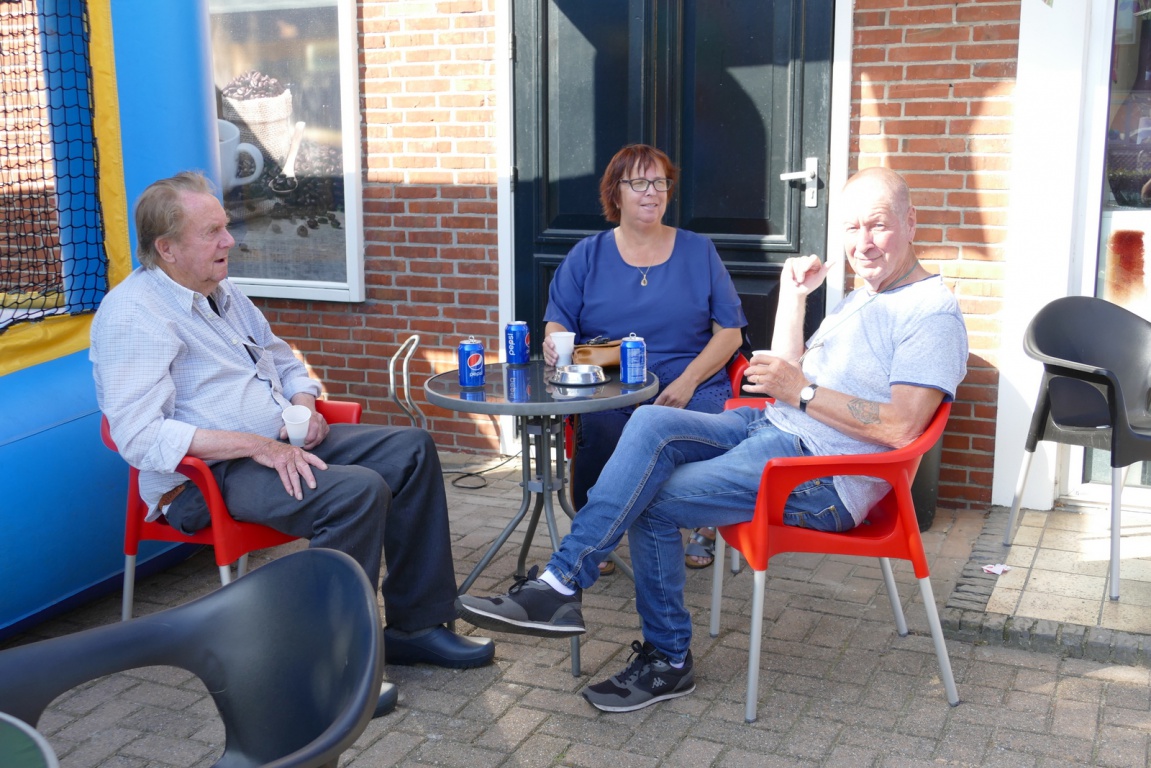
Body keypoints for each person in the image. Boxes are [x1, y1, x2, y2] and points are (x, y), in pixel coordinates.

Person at [456, 167, 968, 713]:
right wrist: (794, 297)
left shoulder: (930, 312)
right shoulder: (867, 295)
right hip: (773, 429)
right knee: (650, 421)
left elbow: (902, 426)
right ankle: (561, 584)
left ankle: (661, 655)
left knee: (649, 499)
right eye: (851, 227)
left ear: (911, 222)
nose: (863, 242)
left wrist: (801, 392)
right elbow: (787, 370)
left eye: (878, 225)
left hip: (821, 474)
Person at [90, 171, 494, 719]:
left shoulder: (222, 290)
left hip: (280, 442)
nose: (229, 240)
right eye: (212, 232)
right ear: (167, 248)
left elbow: (282, 358)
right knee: (356, 493)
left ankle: (416, 626)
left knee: (413, 449)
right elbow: (138, 436)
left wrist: (304, 404)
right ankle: (329, 666)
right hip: (201, 479)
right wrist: (256, 446)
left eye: (225, 227)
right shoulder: (133, 315)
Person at [542, 144, 747, 572]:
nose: (651, 192)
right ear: (615, 193)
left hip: (690, 377)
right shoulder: (587, 254)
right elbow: (558, 320)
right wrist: (554, 342)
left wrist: (688, 381)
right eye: (638, 182)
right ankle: (599, 529)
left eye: (659, 182)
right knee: (600, 426)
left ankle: (702, 522)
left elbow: (730, 332)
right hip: (611, 379)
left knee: (696, 424)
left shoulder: (699, 250)